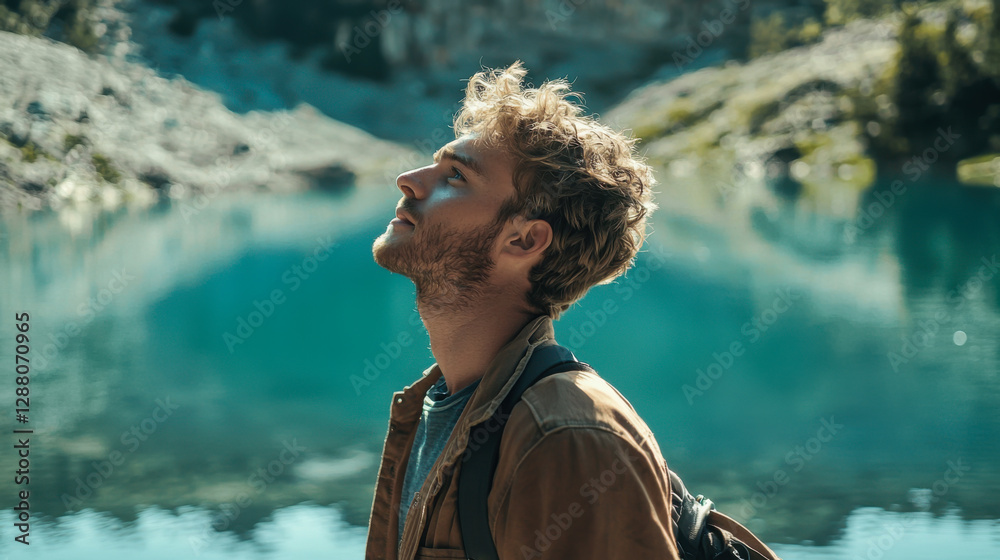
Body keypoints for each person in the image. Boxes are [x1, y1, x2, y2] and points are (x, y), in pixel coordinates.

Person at [365, 61, 679, 560]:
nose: (408, 180)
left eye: (456, 177)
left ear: (524, 239)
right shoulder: (440, 404)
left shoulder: (567, 434)